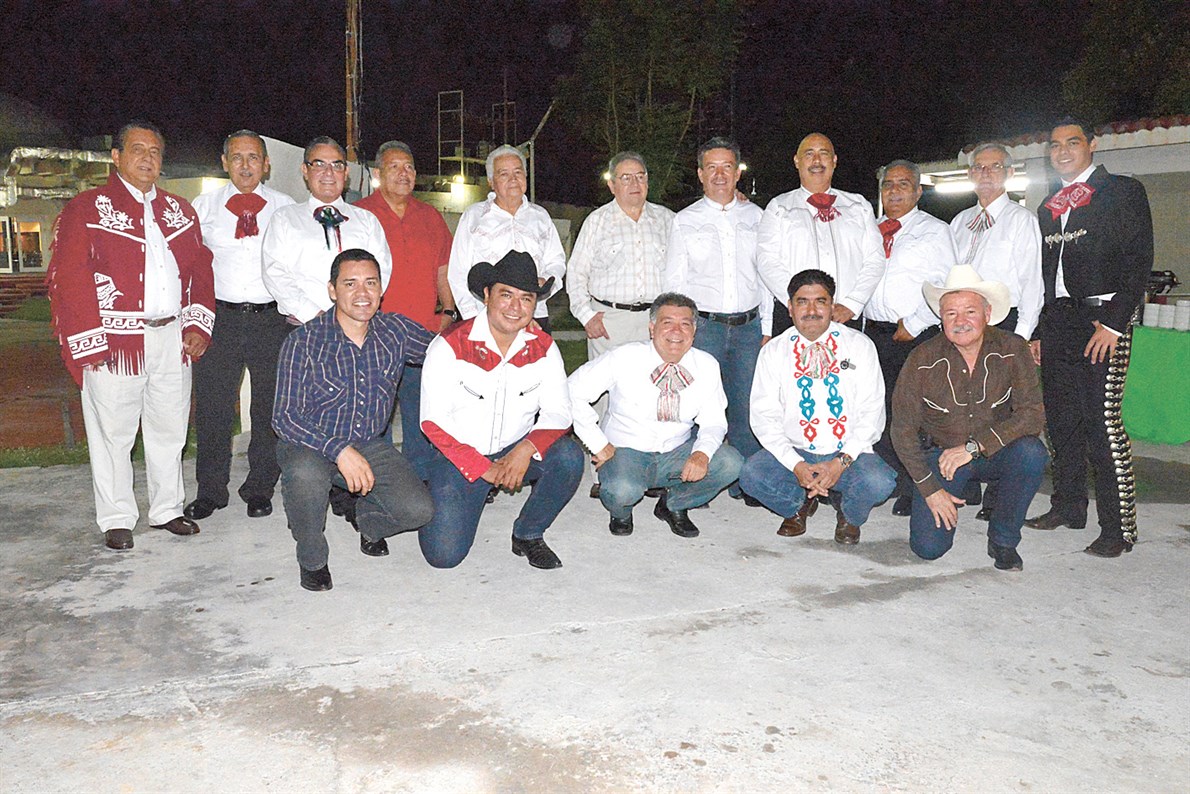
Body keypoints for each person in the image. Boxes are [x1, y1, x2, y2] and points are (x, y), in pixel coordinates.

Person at [47, 120, 215, 550]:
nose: (147, 158)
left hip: (171, 339)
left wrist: (197, 324)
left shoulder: (180, 211)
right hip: (114, 342)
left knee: (170, 429)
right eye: (137, 149)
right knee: (113, 434)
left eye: (155, 151)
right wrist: (89, 342)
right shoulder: (87, 209)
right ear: (116, 157)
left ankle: (167, 509)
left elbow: (200, 270)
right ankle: (117, 517)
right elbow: (70, 278)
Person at [1024, 118, 1153, 558]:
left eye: (1072, 142)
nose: (1062, 151)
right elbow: (1045, 275)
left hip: (1102, 320)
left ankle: (1119, 529)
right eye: (1055, 144)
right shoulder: (1048, 206)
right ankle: (1068, 507)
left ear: (1092, 145)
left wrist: (1115, 324)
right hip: (1058, 321)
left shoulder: (1122, 191)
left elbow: (1139, 261)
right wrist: (1039, 330)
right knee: (1061, 423)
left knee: (1103, 425)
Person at [272, 249, 435, 591]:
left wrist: (496, 330)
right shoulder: (304, 341)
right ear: (332, 290)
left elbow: (446, 353)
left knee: (419, 510)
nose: (362, 293)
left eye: (370, 283)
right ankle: (312, 557)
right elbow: (284, 418)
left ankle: (367, 521)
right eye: (350, 283)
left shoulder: (396, 330)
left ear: (381, 289)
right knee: (305, 475)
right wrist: (340, 451)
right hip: (309, 443)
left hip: (367, 443)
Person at [419, 250, 584, 570]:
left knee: (568, 457)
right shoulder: (450, 344)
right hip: (460, 456)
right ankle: (462, 496)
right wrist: (483, 469)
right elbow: (432, 422)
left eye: (526, 298)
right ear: (487, 295)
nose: (515, 307)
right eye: (506, 295)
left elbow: (560, 412)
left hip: (514, 448)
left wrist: (525, 450)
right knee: (443, 557)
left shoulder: (543, 347)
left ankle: (528, 532)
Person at [891, 265, 1048, 570]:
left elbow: (1032, 415)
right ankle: (944, 500)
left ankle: (1003, 540)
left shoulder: (1013, 349)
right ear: (941, 317)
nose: (960, 321)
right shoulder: (921, 358)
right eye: (951, 313)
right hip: (942, 457)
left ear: (987, 313)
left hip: (993, 450)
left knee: (1031, 453)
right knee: (927, 548)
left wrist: (974, 447)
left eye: (970, 312)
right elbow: (902, 430)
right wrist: (930, 489)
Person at [186, 130, 295, 522]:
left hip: (272, 320)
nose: (245, 165)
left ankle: (260, 487)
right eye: (237, 157)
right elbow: (190, 266)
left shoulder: (285, 208)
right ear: (224, 162)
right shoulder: (204, 206)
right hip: (221, 319)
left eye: (253, 158)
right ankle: (211, 491)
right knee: (213, 407)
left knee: (268, 408)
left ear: (266, 164)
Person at [568, 292, 743, 537]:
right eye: (667, 322)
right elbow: (571, 392)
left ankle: (674, 505)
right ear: (652, 328)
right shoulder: (624, 357)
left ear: (694, 331)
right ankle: (621, 512)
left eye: (685, 324)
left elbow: (714, 421)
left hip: (675, 450)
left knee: (730, 463)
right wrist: (598, 444)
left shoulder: (706, 365)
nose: (676, 331)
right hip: (625, 451)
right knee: (622, 490)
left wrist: (701, 454)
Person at [740, 269, 894, 543]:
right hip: (797, 452)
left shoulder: (859, 345)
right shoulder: (774, 351)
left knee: (880, 482)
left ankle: (848, 514)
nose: (811, 311)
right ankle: (798, 504)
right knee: (751, 475)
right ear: (790, 308)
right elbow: (764, 416)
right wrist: (796, 464)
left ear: (832, 306)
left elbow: (872, 413)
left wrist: (840, 463)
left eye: (820, 302)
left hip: (847, 454)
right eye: (802, 302)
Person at [664, 137, 769, 496]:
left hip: (749, 328)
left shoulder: (758, 217)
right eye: (712, 167)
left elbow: (766, 276)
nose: (720, 175)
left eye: (727, 167)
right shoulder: (685, 220)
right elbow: (675, 281)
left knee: (746, 406)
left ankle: (746, 483)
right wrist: (677, 330)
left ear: (738, 173)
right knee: (696, 404)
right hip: (703, 328)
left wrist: (767, 327)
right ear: (700, 174)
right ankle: (694, 481)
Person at [950, 142, 1044, 523]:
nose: (985, 173)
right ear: (970, 174)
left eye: (994, 167)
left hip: (1005, 325)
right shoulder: (960, 222)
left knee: (1004, 410)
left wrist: (1019, 339)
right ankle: (966, 480)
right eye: (979, 167)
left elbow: (1033, 284)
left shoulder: (1021, 221)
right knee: (965, 403)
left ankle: (999, 497)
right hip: (964, 325)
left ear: (1009, 173)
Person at [353, 140, 455, 476]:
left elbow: (444, 268)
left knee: (421, 414)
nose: (404, 173)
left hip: (422, 333)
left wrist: (448, 312)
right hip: (374, 335)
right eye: (394, 166)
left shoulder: (430, 216)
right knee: (373, 417)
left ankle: (418, 480)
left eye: (409, 166)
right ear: (378, 174)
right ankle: (378, 481)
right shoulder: (359, 215)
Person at [863, 160, 956, 517]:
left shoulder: (934, 231)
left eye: (904, 184)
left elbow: (945, 286)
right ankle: (891, 479)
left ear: (918, 191)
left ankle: (917, 488)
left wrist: (915, 323)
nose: (895, 191)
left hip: (914, 335)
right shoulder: (871, 229)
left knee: (913, 416)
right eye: (888, 184)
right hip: (874, 334)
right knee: (879, 410)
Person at [757, 132, 884, 335]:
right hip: (794, 318)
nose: (817, 160)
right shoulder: (779, 207)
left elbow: (875, 259)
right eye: (809, 154)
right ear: (797, 161)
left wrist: (853, 303)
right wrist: (800, 304)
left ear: (834, 161)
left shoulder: (858, 205)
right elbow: (767, 261)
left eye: (823, 153)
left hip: (845, 316)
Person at [262, 136, 391, 325]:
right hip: (303, 326)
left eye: (337, 165)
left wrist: (357, 310)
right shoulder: (284, 218)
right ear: (305, 170)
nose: (329, 173)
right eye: (319, 164)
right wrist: (314, 315)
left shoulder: (367, 220)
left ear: (346, 172)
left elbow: (382, 270)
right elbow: (274, 273)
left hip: (357, 325)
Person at [446, 144, 566, 331]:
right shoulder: (474, 216)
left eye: (518, 172)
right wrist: (474, 319)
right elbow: (458, 272)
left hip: (534, 317)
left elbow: (557, 261)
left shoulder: (540, 216)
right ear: (491, 181)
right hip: (486, 317)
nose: (513, 179)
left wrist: (546, 281)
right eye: (504, 174)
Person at [567, 151, 675, 356]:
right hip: (610, 324)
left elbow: (683, 271)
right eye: (626, 178)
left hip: (656, 322)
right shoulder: (597, 221)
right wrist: (586, 316)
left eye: (640, 176)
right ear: (612, 185)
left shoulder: (668, 220)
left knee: (655, 376)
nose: (635, 183)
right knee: (607, 377)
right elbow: (576, 272)